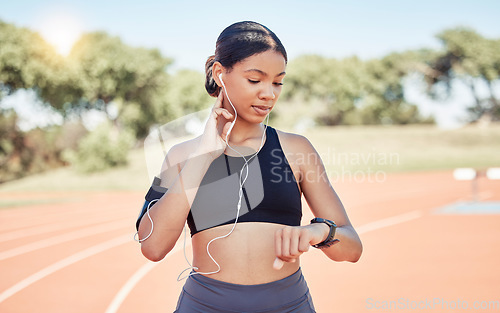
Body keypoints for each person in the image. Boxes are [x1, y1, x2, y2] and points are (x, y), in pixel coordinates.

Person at [136, 21, 362, 313]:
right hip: (204, 306)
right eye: (255, 80)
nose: (269, 93)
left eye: (278, 82)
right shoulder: (182, 155)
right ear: (220, 74)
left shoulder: (297, 150)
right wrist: (204, 155)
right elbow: (152, 247)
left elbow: (352, 247)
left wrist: (318, 233)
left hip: (289, 305)